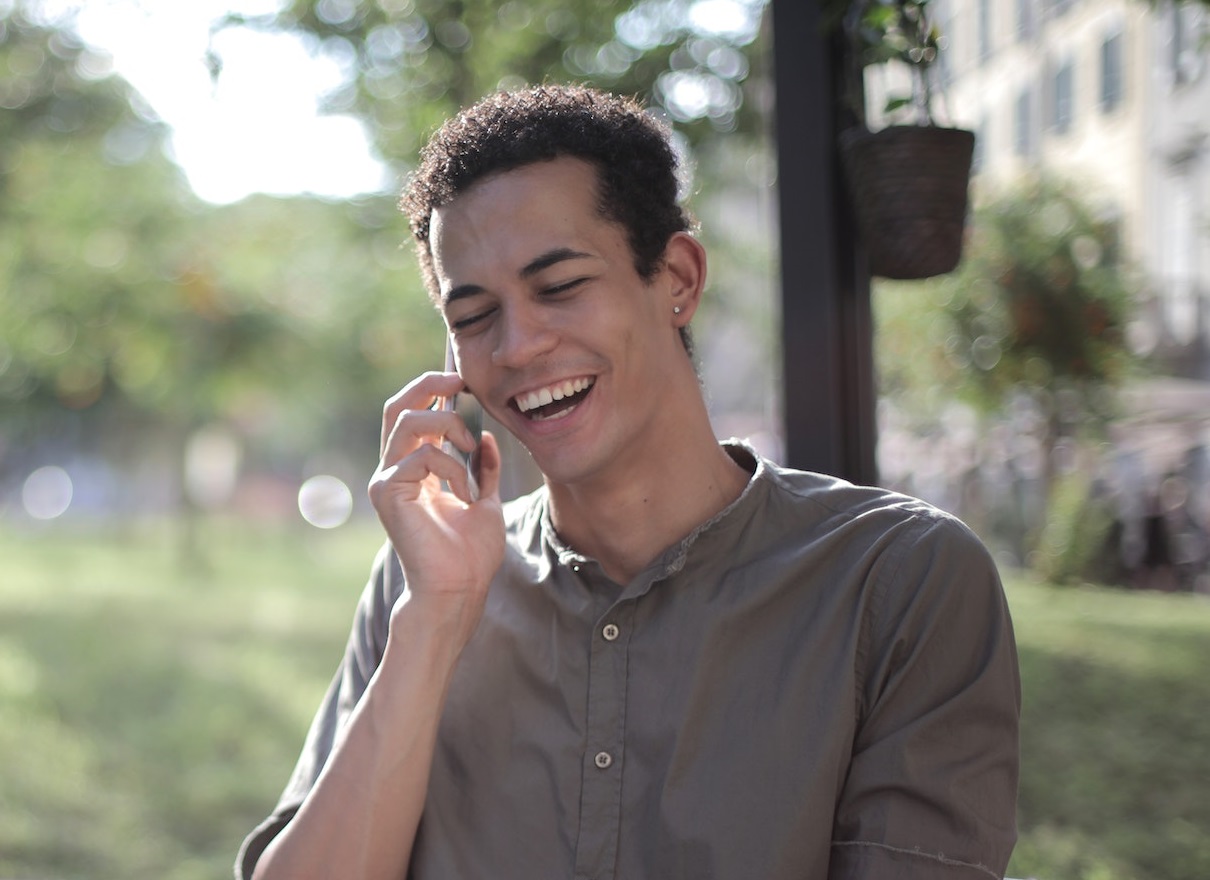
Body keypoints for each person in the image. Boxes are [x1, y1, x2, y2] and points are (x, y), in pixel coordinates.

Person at [237, 84, 1020, 880]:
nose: (518, 345)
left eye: (561, 285)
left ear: (677, 277)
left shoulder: (900, 580)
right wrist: (433, 624)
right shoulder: (421, 584)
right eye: (473, 315)